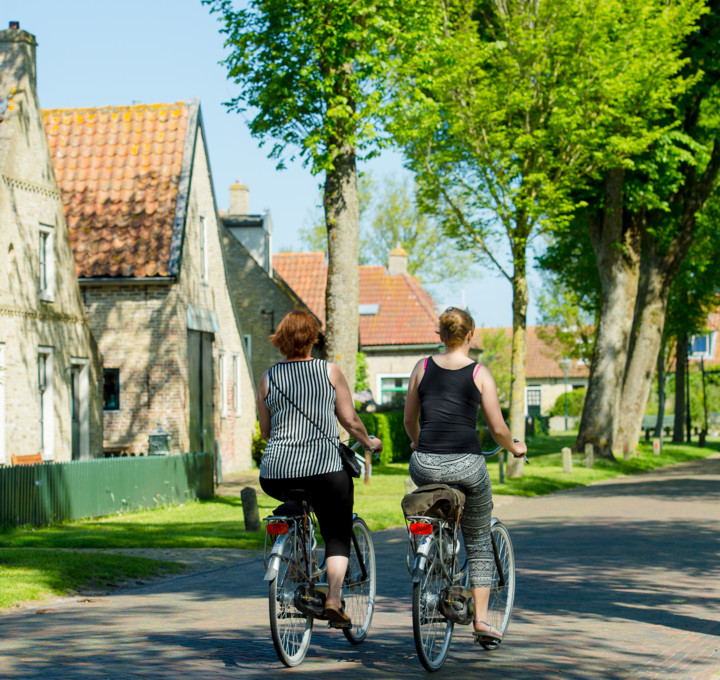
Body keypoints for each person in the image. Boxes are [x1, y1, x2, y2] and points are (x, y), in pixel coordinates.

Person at [403, 306, 526, 643]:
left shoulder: (421, 367)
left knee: (433, 508)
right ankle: (482, 623)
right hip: (467, 465)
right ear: (470, 335)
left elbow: (409, 421)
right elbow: (497, 428)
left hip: (425, 464)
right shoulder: (480, 374)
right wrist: (515, 447)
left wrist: (417, 443)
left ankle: (431, 552)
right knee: (478, 540)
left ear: (440, 336)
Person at [257, 310, 382, 627]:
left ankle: (298, 560)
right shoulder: (328, 371)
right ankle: (333, 599)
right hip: (324, 471)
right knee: (337, 530)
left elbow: (266, 432)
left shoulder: (268, 378)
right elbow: (350, 421)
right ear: (313, 338)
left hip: (274, 473)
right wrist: (369, 443)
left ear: (281, 340)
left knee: (297, 506)